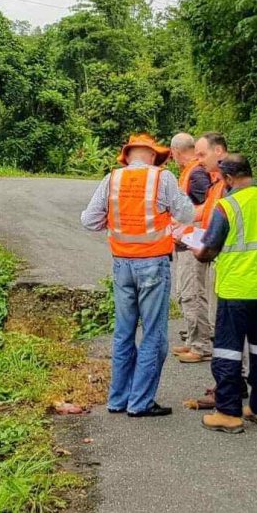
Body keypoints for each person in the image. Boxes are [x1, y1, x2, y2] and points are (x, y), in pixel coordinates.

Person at [81, 134, 197, 417]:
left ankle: (118, 399)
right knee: (153, 334)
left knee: (123, 333)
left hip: (122, 265)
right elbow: (187, 214)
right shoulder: (163, 178)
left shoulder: (112, 179)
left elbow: (89, 220)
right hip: (153, 265)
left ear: (129, 156)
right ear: (152, 156)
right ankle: (140, 402)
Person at [188, 152, 257, 434]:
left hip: (236, 290)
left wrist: (193, 247)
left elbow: (206, 251)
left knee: (228, 353)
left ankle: (229, 413)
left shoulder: (227, 207)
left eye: (223, 179)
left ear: (229, 178)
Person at [172, 131, 227, 363]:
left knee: (194, 293)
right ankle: (196, 341)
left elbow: (210, 211)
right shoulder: (210, 179)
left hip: (198, 245)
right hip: (198, 243)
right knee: (193, 293)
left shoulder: (199, 175)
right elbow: (204, 209)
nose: (200, 160)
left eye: (203, 154)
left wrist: (182, 225)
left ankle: (200, 344)